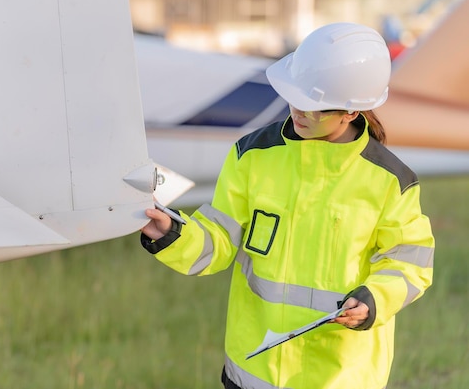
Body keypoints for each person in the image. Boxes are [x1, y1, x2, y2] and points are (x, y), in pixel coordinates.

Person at [140, 22, 434, 389]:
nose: (298, 111)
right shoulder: (252, 155)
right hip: (253, 372)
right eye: (296, 97)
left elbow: (411, 262)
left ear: (351, 112)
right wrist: (172, 234)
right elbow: (217, 241)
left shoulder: (390, 181)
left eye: (315, 107)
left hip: (339, 375)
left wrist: (375, 298)